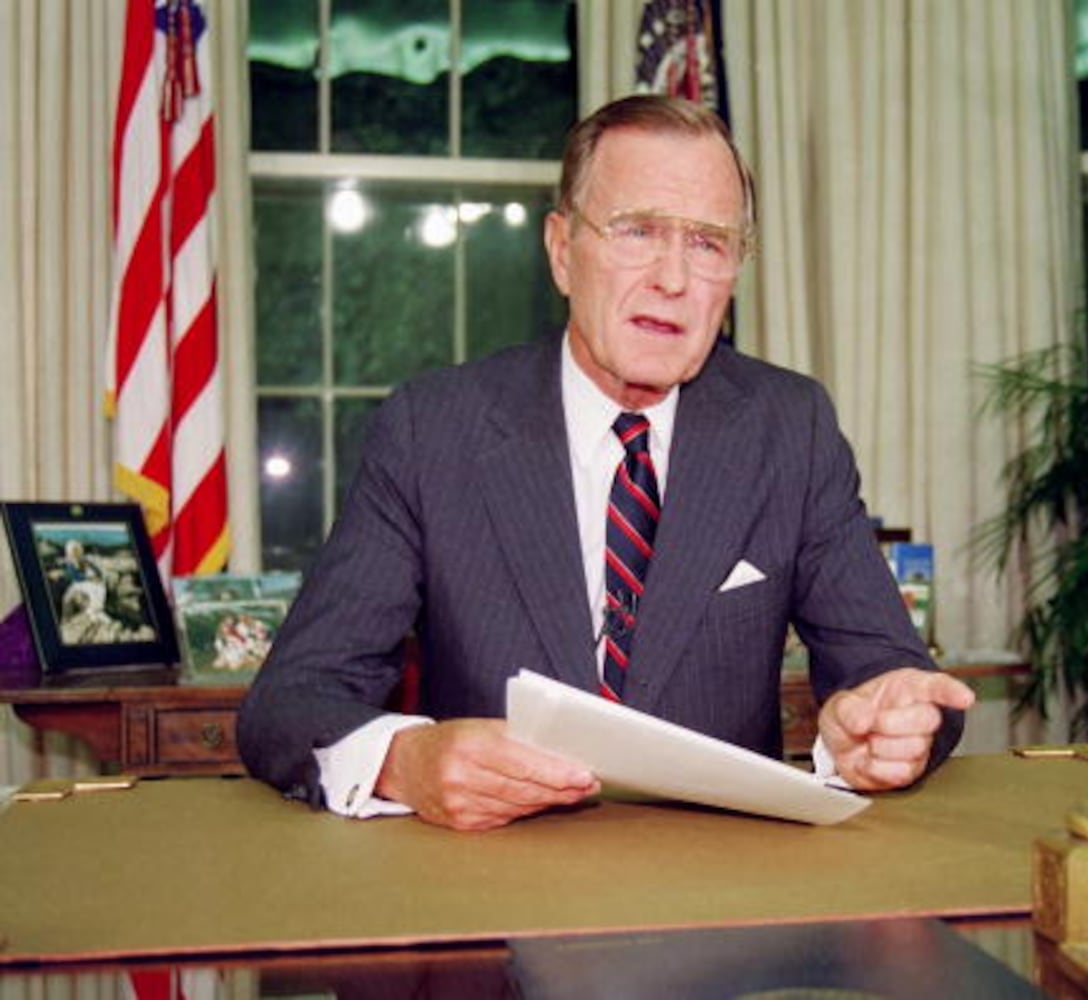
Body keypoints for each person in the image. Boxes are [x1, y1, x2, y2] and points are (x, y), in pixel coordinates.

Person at [237, 95, 975, 831]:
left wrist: (893, 728)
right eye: (639, 232)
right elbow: (293, 699)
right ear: (563, 251)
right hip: (493, 894)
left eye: (710, 244)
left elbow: (891, 672)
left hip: (722, 896)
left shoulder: (790, 429)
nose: (674, 279)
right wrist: (410, 759)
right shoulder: (434, 430)